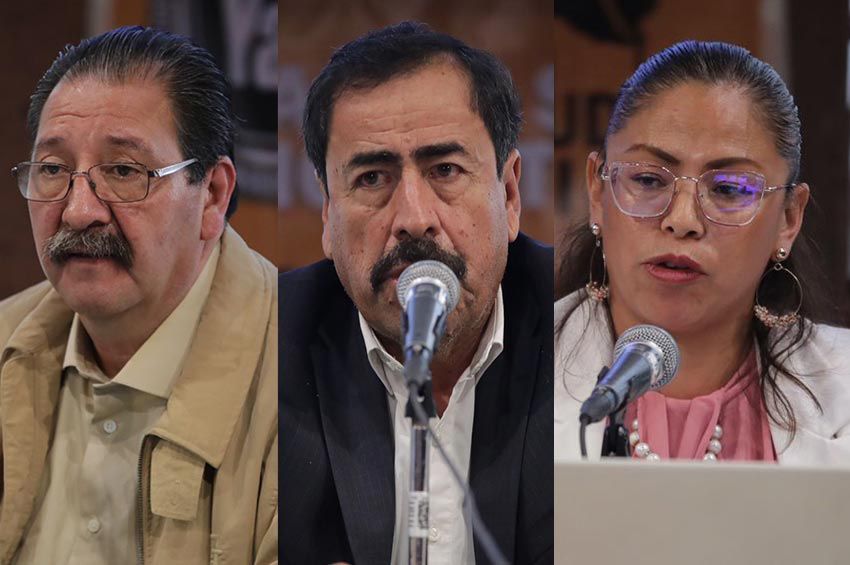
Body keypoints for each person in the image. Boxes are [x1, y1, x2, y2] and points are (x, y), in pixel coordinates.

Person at [0, 27, 277, 564]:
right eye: (53, 170)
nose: (79, 211)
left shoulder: (297, 376)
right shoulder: (8, 339)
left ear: (213, 195)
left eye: (124, 171)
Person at [280, 21, 553, 564]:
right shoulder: (271, 338)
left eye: (445, 170)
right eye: (372, 178)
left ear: (510, 194)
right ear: (328, 214)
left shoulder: (575, 320)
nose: (413, 218)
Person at [555, 40, 850, 464]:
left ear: (788, 218)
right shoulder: (518, 370)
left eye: (728, 189)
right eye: (649, 180)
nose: (682, 220)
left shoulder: (842, 386)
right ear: (598, 192)